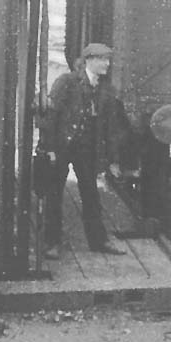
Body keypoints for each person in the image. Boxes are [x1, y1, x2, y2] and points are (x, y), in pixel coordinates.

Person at [38, 42, 126, 259]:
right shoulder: (66, 82)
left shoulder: (106, 90)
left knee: (91, 195)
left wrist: (112, 160)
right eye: (102, 60)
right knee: (54, 195)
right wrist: (49, 148)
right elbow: (51, 117)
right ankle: (52, 243)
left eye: (108, 60)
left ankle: (99, 241)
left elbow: (111, 129)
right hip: (61, 147)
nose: (107, 64)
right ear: (89, 60)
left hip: (86, 150)